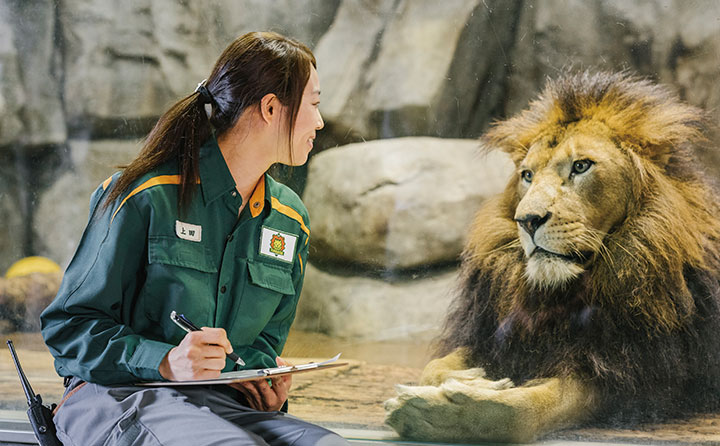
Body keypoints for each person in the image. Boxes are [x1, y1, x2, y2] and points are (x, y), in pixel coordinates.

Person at [40, 31, 348, 446]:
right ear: (272, 108)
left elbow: (259, 346)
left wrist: (263, 382)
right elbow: (68, 327)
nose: (320, 120)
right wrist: (166, 361)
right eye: (313, 103)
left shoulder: (290, 219)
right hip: (118, 396)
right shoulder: (146, 196)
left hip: (217, 403)